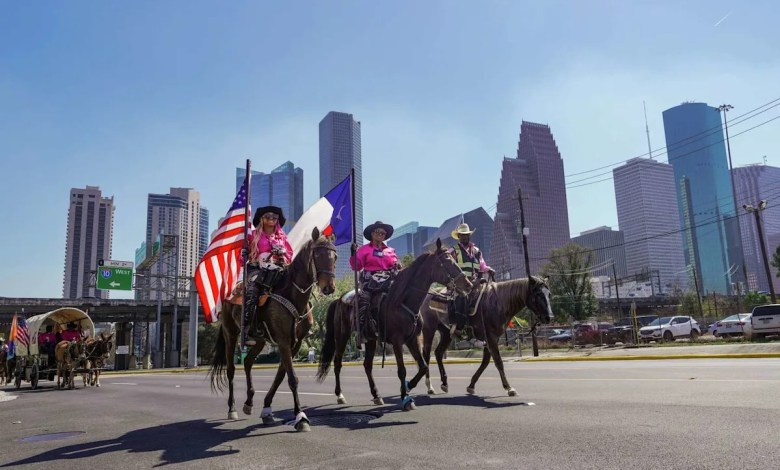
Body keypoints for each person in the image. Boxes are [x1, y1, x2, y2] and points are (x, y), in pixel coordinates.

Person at [242, 206, 293, 347]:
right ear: (261, 219)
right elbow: (243, 254)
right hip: (257, 269)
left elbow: (290, 253)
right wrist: (244, 252)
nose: (271, 219)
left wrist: (283, 254)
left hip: (277, 268)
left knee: (296, 285)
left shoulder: (282, 237)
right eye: (268, 216)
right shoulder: (252, 235)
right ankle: (246, 330)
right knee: (252, 291)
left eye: (274, 217)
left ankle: (302, 324)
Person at [350, 221, 400, 340]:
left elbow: (395, 263)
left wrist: (397, 265)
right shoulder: (363, 249)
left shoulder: (390, 250)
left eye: (383, 233)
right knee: (364, 300)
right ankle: (361, 330)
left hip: (388, 280)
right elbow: (355, 266)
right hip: (369, 281)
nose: (381, 234)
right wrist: (353, 253)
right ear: (372, 234)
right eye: (378, 232)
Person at [447, 223, 494, 332]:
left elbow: (482, 265)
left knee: (490, 295)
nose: (465, 237)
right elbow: (447, 263)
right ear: (458, 237)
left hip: (476, 281)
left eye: (467, 234)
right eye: (462, 235)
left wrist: (489, 269)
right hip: (460, 284)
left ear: (469, 236)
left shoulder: (476, 251)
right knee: (462, 297)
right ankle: (458, 326)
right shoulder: (453, 251)